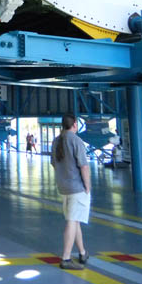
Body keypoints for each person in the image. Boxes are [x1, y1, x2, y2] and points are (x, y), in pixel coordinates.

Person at [51, 114, 91, 270]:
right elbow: (84, 166)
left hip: (63, 187)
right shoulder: (76, 140)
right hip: (76, 187)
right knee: (72, 221)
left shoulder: (56, 141)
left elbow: (54, 163)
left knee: (75, 220)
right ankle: (66, 258)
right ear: (74, 124)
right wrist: (87, 186)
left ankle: (82, 253)